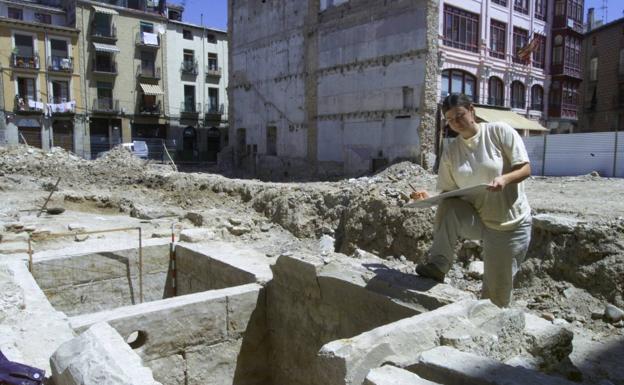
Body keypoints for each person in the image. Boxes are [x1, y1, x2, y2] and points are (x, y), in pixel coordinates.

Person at [412, 93, 532, 308]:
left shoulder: (498, 131)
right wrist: (429, 198)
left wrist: (504, 179)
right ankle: (438, 265)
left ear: (471, 110)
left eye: (459, 116)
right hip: (480, 220)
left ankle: (495, 335)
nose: (456, 123)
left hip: (509, 226)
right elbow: (450, 193)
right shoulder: (451, 152)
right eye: (449, 120)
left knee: (495, 297)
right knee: (449, 207)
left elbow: (525, 168)